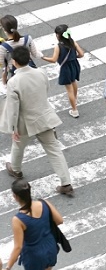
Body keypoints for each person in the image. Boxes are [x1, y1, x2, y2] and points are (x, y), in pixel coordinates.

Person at [0, 46, 74, 195]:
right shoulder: (41, 72)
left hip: (24, 121)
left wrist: (13, 128)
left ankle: (16, 170)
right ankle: (66, 183)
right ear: (29, 58)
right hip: (43, 117)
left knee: (18, 146)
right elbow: (45, 90)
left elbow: (13, 108)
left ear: (14, 62)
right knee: (54, 150)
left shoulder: (14, 82)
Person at [3, 180, 61, 270]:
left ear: (15, 197)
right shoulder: (44, 203)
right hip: (50, 247)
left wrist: (8, 267)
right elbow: (59, 220)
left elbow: (18, 247)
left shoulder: (18, 219)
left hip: (34, 256)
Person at [41, 25, 85, 119]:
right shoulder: (72, 42)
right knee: (74, 82)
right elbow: (81, 54)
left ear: (57, 35)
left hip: (66, 68)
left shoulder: (58, 46)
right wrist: (74, 57)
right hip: (75, 65)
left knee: (69, 89)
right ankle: (75, 99)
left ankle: (74, 110)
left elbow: (53, 60)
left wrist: (43, 57)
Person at [0, 15, 42, 85]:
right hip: (30, 71)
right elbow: (35, 54)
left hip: (15, 76)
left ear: (4, 30)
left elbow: (3, 65)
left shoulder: (3, 47)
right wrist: (44, 56)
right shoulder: (28, 38)